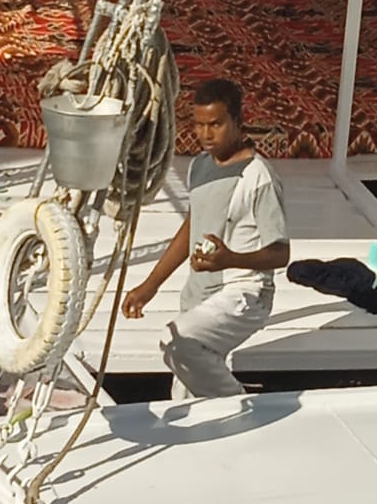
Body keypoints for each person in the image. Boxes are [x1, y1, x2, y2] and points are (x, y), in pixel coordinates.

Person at [121, 78, 289, 399]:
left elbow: (280, 252)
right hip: (198, 295)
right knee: (184, 393)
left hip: (242, 294)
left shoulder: (259, 177)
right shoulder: (199, 165)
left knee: (177, 343)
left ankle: (240, 404)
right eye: (199, 125)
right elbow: (192, 225)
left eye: (216, 124)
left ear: (238, 121)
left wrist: (230, 259)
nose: (206, 134)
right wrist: (150, 285)